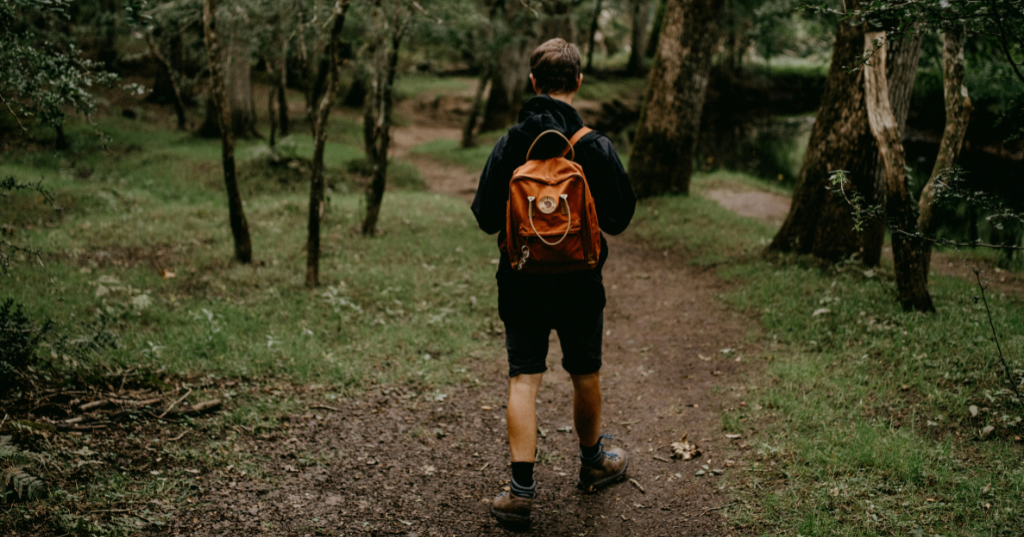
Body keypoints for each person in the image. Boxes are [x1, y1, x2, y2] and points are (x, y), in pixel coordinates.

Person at [471, 37, 637, 525]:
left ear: (533, 83)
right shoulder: (593, 145)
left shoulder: (510, 145)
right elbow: (620, 217)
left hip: (521, 280)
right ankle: (593, 464)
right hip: (581, 282)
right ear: (578, 82)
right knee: (584, 372)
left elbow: (484, 218)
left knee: (525, 377)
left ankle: (521, 492)